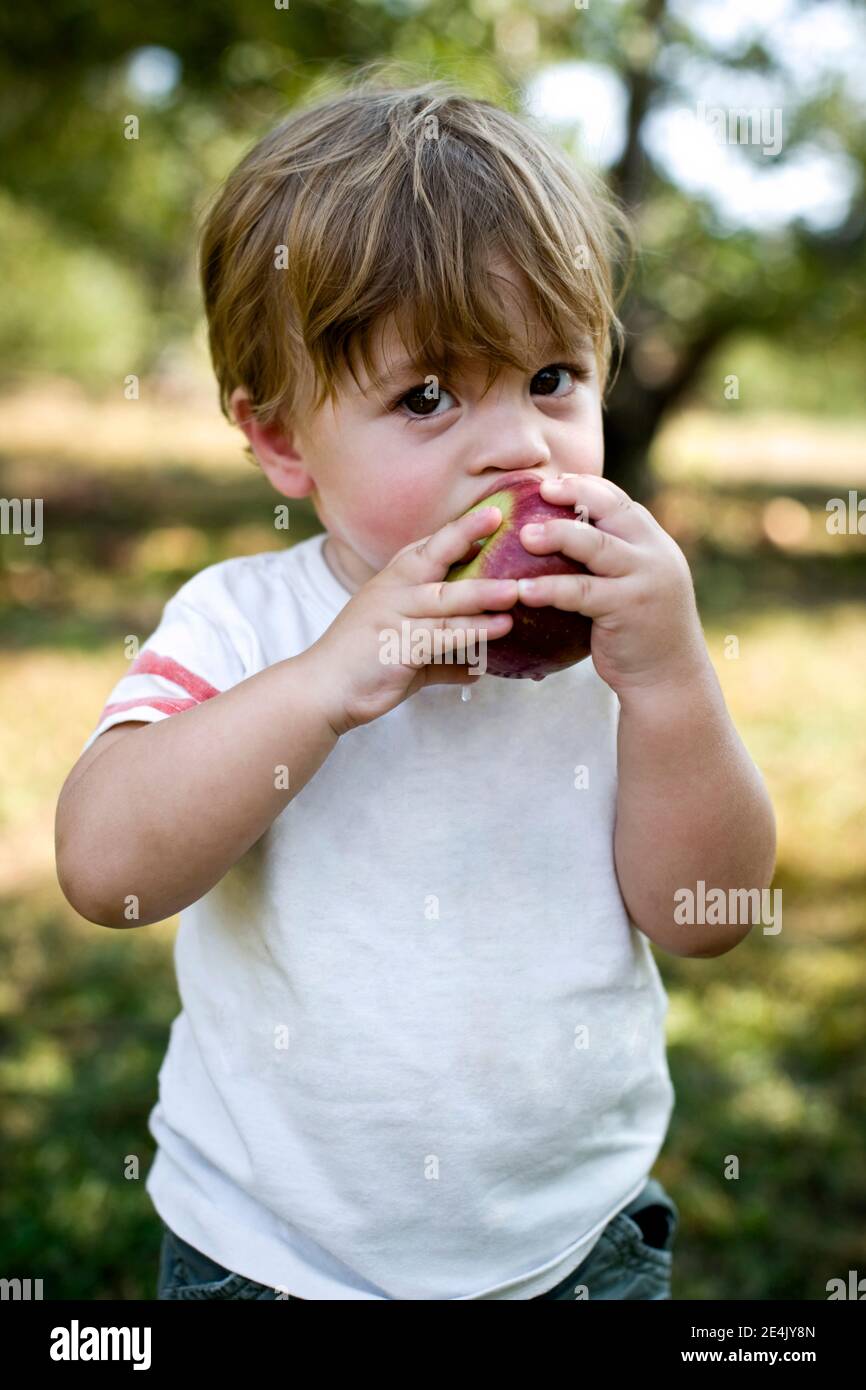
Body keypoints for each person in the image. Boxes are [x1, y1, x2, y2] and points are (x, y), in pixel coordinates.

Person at [55, 75, 776, 1301]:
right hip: (273, 1259)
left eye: (553, 376)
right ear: (283, 440)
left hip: (571, 1249)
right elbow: (107, 872)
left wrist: (669, 682)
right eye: (429, 397)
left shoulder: (613, 636)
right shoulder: (249, 623)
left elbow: (703, 915)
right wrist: (327, 683)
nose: (520, 447)